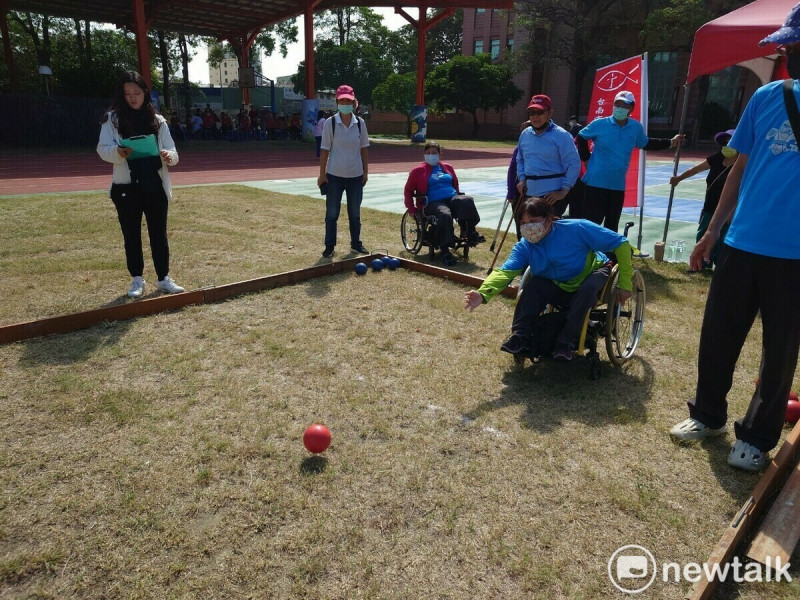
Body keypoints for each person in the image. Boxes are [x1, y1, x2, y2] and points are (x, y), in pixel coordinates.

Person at [669, 2, 800, 472]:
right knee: (719, 335)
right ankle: (707, 414)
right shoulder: (767, 99)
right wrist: (712, 231)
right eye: (787, 44)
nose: (787, 50)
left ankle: (757, 438)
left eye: (793, 43)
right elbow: (739, 167)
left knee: (780, 348)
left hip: (794, 254)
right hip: (742, 243)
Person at [464, 198, 633, 360]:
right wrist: (483, 293)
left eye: (533, 220)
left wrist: (625, 284)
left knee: (587, 291)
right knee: (533, 286)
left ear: (549, 219)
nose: (528, 227)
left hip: (592, 272)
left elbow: (621, 243)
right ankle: (520, 336)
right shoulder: (525, 246)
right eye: (523, 223)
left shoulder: (577, 228)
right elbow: (505, 272)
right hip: (558, 283)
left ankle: (566, 343)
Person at [96, 70, 184, 298]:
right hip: (126, 188)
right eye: (127, 94)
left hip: (154, 185)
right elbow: (102, 150)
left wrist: (168, 156)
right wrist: (118, 152)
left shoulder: (157, 120)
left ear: (145, 93)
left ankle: (164, 278)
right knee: (131, 234)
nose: (133, 98)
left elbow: (174, 153)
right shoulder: (112, 120)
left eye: (137, 92)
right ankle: (137, 279)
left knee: (159, 233)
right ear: (121, 95)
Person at [576, 91, 682, 231]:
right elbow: (581, 137)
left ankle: (609, 253)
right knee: (591, 224)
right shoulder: (600, 124)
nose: (619, 108)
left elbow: (646, 143)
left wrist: (670, 142)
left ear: (631, 108)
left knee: (611, 226)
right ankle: (587, 253)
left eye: (624, 105)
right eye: (617, 104)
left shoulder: (635, 128)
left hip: (617, 186)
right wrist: (586, 158)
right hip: (595, 183)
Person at [403, 141, 484, 266]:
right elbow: (408, 191)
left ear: (440, 154)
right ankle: (445, 249)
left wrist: (457, 196)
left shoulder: (447, 167)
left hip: (451, 197)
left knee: (466, 200)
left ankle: (470, 231)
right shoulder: (418, 171)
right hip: (431, 202)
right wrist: (412, 209)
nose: (431, 155)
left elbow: (455, 185)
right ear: (424, 154)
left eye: (434, 153)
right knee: (444, 214)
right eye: (428, 153)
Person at [670, 129, 737, 269]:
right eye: (725, 142)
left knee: (723, 239)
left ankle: (720, 268)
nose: (727, 145)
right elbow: (695, 169)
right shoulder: (716, 158)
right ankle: (701, 266)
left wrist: (734, 209)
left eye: (731, 142)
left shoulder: (741, 165)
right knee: (703, 234)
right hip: (709, 207)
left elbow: (743, 189)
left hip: (728, 210)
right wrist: (679, 178)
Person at [318, 84, 370, 257]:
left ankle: (356, 243)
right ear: (337, 102)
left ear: (354, 102)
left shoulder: (360, 124)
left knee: (354, 213)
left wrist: (365, 172)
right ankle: (329, 246)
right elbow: (325, 150)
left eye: (348, 100)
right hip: (334, 176)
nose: (345, 103)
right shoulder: (330, 123)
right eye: (342, 100)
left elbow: (364, 149)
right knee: (332, 213)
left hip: (355, 176)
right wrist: (322, 174)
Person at [515, 94, 581, 221]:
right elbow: (520, 159)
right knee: (530, 232)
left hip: (552, 196)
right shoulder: (525, 134)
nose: (535, 117)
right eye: (532, 112)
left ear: (550, 113)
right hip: (529, 193)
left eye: (539, 112)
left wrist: (563, 191)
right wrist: (522, 179)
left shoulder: (562, 135)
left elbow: (574, 164)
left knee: (547, 233)